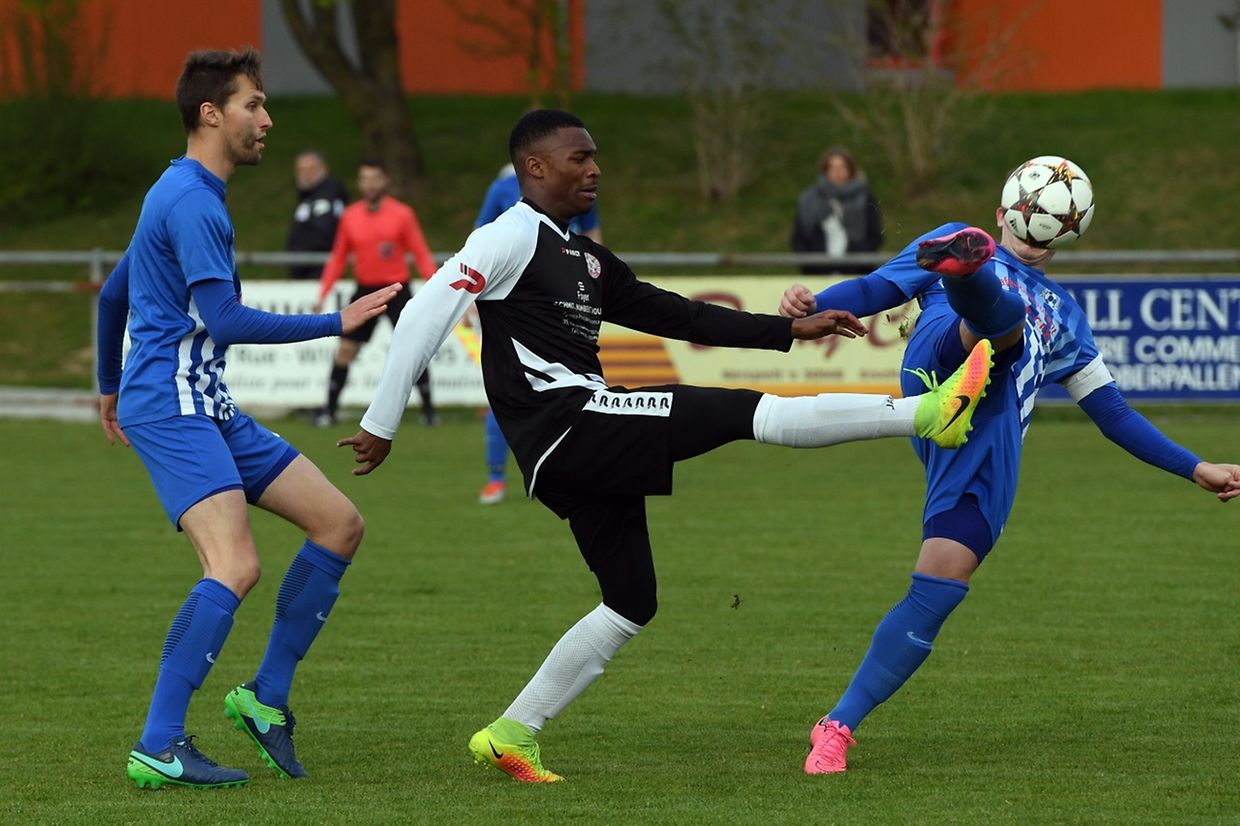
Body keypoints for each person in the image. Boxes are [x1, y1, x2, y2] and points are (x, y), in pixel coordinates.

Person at [337, 108, 996, 783]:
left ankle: (511, 733)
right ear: (533, 167)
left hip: (575, 448)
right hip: (570, 424)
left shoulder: (585, 257)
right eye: (577, 158)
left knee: (630, 601)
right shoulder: (507, 237)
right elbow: (423, 311)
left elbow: (674, 314)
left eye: (595, 157)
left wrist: (784, 332)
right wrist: (381, 422)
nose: (594, 169)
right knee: (744, 412)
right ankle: (927, 413)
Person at [778, 165, 1240, 775]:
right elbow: (870, 292)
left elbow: (1112, 412)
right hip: (939, 361)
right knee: (999, 333)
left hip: (985, 444)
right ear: (1006, 215)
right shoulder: (958, 238)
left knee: (940, 587)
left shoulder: (1068, 317)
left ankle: (836, 727)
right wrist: (811, 306)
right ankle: (971, 292)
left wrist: (1196, 466)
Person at [96, 47, 400, 790]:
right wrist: (337, 321)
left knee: (339, 524)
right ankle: (160, 743)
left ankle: (264, 700)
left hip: (203, 402)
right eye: (253, 105)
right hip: (175, 406)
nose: (266, 120)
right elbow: (225, 321)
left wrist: (107, 383)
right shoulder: (195, 202)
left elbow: (113, 294)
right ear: (211, 113)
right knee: (234, 566)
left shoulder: (174, 188)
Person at [473, 160, 602, 505]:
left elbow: (592, 235)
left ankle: (577, 471)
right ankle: (496, 478)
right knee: (506, 388)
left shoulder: (575, 184)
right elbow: (479, 240)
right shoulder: (502, 188)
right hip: (515, 307)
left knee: (578, 387)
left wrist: (596, 284)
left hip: (565, 304)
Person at [312, 157, 438, 428]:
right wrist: (323, 292)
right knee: (345, 348)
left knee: (414, 349)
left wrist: (444, 289)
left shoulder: (402, 214)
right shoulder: (350, 216)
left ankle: (429, 412)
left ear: (385, 181)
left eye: (375, 178)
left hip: (396, 289)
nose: (369, 184)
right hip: (365, 290)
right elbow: (338, 257)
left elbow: (420, 254)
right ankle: (329, 411)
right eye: (364, 178)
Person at [790, 146, 884, 275]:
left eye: (842, 167)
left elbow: (875, 235)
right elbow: (799, 237)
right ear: (825, 170)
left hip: (856, 272)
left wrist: (859, 260)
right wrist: (810, 265)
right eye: (832, 167)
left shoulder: (864, 197)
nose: (837, 172)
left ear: (850, 169)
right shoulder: (810, 199)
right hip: (817, 272)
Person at [286, 149, 347, 280]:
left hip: (317, 272)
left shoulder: (325, 199)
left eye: (311, 169)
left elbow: (323, 234)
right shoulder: (309, 198)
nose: (306, 175)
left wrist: (303, 260)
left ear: (324, 169)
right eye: (301, 170)